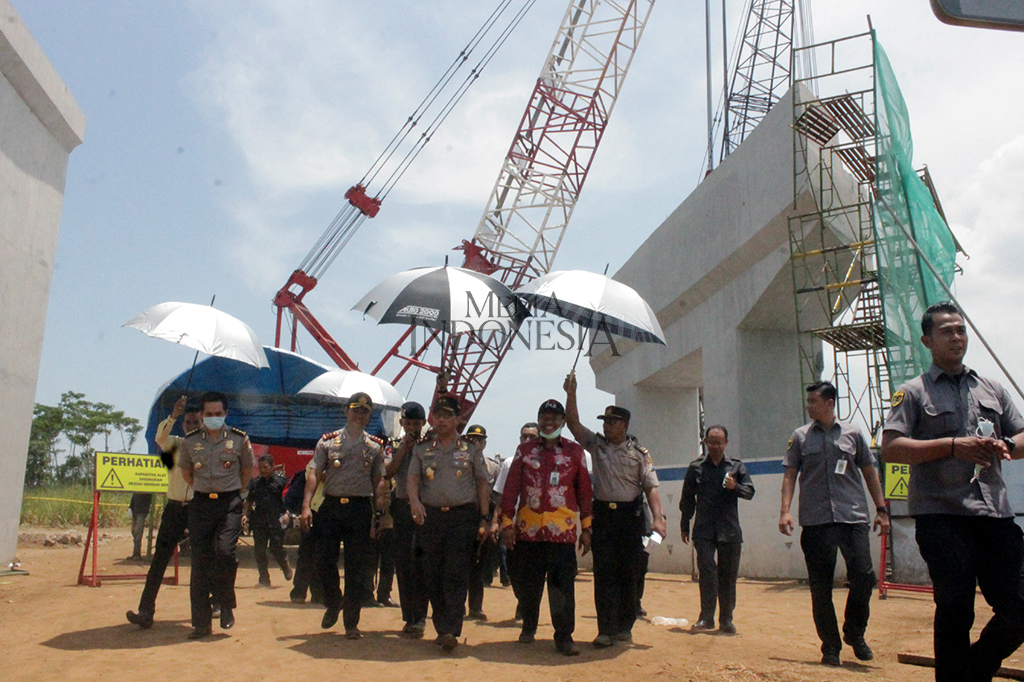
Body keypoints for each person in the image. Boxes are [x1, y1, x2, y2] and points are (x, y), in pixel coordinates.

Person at [881, 301, 1024, 682]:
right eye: (947, 331)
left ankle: (971, 671)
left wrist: (1005, 444)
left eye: (961, 330)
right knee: (956, 608)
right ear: (928, 340)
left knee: (1019, 605)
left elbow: (1022, 435)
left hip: (995, 514)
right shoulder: (912, 393)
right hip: (942, 515)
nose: (957, 337)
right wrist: (952, 445)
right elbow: (892, 447)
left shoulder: (992, 388)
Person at [780, 381, 889, 667]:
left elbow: (869, 472)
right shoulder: (800, 437)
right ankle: (830, 646)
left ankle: (855, 632)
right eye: (808, 401)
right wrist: (785, 511)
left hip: (852, 517)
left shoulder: (853, 434)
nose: (809, 406)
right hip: (816, 522)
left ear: (830, 403)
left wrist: (881, 509)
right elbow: (790, 475)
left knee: (864, 576)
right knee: (820, 587)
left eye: (813, 401)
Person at [563, 373, 665, 648]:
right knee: (604, 573)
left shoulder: (640, 453)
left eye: (612, 422)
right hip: (604, 518)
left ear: (624, 424)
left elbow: (651, 487)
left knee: (629, 573)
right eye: (605, 422)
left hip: (630, 519)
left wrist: (658, 518)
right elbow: (573, 425)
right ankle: (605, 629)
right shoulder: (597, 446)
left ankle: (625, 626)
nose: (607, 426)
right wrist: (571, 393)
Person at [500, 399, 593, 657]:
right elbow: (511, 489)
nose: (549, 422)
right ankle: (528, 626)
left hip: (561, 534)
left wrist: (586, 527)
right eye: (545, 417)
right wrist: (507, 523)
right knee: (527, 584)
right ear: (539, 419)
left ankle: (564, 637)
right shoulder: (524, 450)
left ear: (562, 422)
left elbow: (584, 491)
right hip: (527, 532)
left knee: (561, 587)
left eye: (554, 418)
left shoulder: (576, 453)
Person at [408, 396, 491, 653]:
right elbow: (412, 479)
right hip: (430, 517)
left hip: (461, 518)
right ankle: (442, 625)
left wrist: (485, 517)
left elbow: (482, 484)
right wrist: (414, 502)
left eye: (447, 416)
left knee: (455, 573)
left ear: (457, 420)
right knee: (432, 572)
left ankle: (451, 630)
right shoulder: (422, 449)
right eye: (438, 415)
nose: (441, 420)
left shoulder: (471, 450)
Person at [300, 392, 385, 640]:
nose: (360, 415)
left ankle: (351, 622)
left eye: (365, 411)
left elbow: (379, 481)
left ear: (369, 416)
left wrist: (378, 513)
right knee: (324, 560)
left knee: (357, 568)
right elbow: (313, 475)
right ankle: (333, 600)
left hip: (360, 509)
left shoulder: (375, 446)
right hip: (332, 507)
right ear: (346, 411)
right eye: (356, 410)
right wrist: (306, 506)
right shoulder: (327, 442)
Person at [178, 391, 254, 639]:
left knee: (224, 552)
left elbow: (245, 472)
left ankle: (225, 602)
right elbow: (187, 474)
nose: (213, 418)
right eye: (208, 414)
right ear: (201, 415)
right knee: (200, 564)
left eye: (218, 414)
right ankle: (201, 623)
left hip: (229, 503)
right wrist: (205, 489)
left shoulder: (239, 440)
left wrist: (234, 495)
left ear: (225, 414)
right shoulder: (190, 442)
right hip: (201, 504)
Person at [126, 396, 200, 628]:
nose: (192, 426)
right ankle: (145, 611)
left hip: (198, 509)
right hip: (174, 507)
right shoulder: (174, 444)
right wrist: (174, 414)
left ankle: (213, 604)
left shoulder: (208, 447)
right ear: (182, 424)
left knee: (206, 558)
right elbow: (159, 437)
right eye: (188, 422)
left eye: (196, 422)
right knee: (159, 560)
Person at [680, 425, 754, 634]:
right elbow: (687, 499)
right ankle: (706, 618)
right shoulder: (696, 468)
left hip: (729, 530)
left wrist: (735, 487)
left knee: (728, 576)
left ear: (726, 443)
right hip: (703, 529)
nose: (715, 446)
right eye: (711, 442)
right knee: (707, 572)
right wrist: (685, 524)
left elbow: (749, 492)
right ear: (705, 442)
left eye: (719, 442)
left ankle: (726, 619)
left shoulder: (736, 467)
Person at [386, 401, 429, 636]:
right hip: (402, 507)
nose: (412, 427)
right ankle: (409, 615)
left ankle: (420, 616)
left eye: (416, 423)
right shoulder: (392, 444)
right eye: (408, 423)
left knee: (423, 563)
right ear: (402, 423)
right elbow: (388, 472)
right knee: (403, 563)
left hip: (426, 507)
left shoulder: (431, 444)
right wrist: (404, 447)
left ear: (423, 423)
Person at [464, 424, 500, 621]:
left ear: (485, 443)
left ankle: (475, 607)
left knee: (478, 564)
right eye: (471, 440)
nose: (475, 443)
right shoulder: (459, 463)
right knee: (458, 564)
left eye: (479, 440)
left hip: (483, 516)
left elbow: (496, 495)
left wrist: (490, 520)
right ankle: (457, 605)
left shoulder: (493, 466)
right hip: (463, 516)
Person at [244, 454, 292, 587]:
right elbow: (248, 501)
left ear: (272, 466)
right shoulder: (255, 483)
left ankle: (285, 564)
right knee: (259, 551)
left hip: (276, 521)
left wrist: (288, 513)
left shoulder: (282, 482)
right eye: (260, 468)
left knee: (276, 548)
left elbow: (289, 500)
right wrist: (245, 515)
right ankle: (264, 579)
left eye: (265, 467)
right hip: (259, 521)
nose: (263, 470)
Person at [285, 464, 325, 605]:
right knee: (308, 553)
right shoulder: (313, 466)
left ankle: (318, 593)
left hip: (329, 513)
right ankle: (300, 592)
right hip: (312, 513)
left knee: (320, 555)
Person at [128, 493, 153, 561]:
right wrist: (130, 508)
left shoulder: (147, 491)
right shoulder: (137, 490)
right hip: (135, 511)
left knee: (138, 532)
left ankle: (137, 554)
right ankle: (135, 553)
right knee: (134, 531)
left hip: (142, 512)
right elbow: (133, 499)